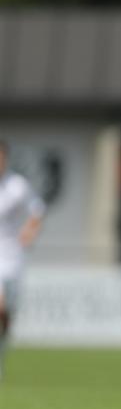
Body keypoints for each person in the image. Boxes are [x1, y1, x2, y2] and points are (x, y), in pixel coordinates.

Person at [0, 140, 45, 378]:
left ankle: (3, 346)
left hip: (12, 256)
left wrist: (29, 231)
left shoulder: (18, 186)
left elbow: (37, 210)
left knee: (7, 313)